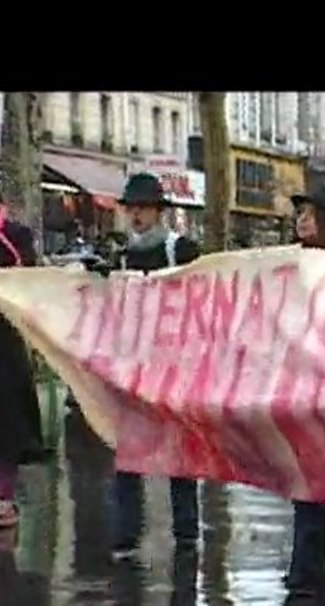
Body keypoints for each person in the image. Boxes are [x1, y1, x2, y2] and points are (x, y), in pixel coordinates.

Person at [110, 173, 202, 561]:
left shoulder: (181, 250)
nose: (136, 216)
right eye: (131, 209)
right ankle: (126, 534)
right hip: (133, 368)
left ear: (157, 212)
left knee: (180, 453)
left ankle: (186, 532)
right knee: (129, 452)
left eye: (143, 209)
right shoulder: (120, 257)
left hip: (175, 367)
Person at [284, 184, 325, 598]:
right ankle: (306, 563)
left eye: (310, 213)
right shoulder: (285, 266)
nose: (302, 220)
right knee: (305, 478)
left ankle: (314, 555)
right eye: (300, 213)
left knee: (322, 477)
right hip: (299, 388)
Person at [0, 176, 44, 530]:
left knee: (6, 418)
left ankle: (5, 496)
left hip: (3, 338)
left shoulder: (16, 235)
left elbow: (30, 279)